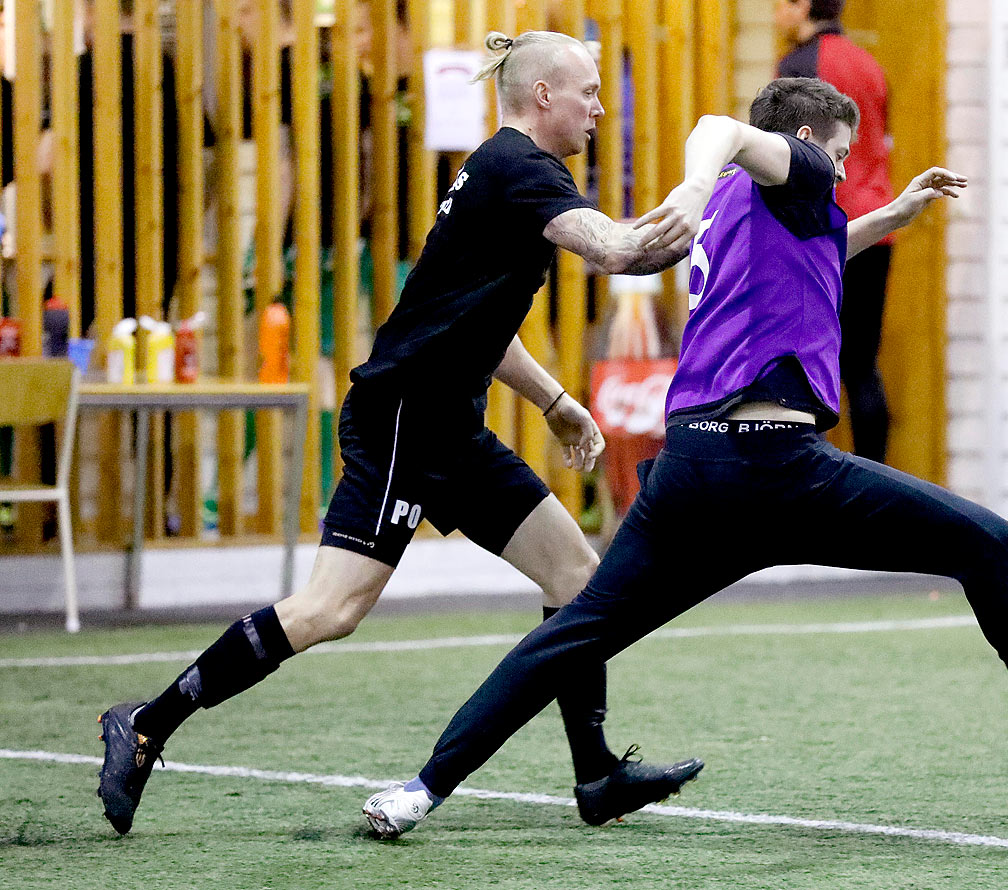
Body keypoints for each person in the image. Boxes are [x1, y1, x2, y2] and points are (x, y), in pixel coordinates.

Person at [362, 77, 1008, 838]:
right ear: (804, 141)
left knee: (575, 632)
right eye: (839, 155)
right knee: (994, 545)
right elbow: (721, 130)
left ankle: (419, 790)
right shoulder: (776, 169)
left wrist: (894, 213)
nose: (840, 173)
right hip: (783, 473)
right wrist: (693, 182)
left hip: (694, 477)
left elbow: (821, 246)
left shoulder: (751, 212)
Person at [96, 30, 703, 836]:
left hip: (448, 425)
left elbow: (476, 323)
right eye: (588, 91)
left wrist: (556, 400)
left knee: (574, 575)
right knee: (329, 610)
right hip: (404, 423)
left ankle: (595, 775)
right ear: (545, 96)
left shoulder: (506, 173)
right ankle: (145, 724)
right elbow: (618, 250)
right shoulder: (520, 170)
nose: (600, 107)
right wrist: (705, 192)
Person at [774, 0, 894, 463]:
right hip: (875, 227)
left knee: (804, 362)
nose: (776, 13)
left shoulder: (797, 68)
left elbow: (785, 158)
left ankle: (806, 477)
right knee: (863, 367)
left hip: (821, 230)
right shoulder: (870, 64)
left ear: (803, 5)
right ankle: (875, 478)